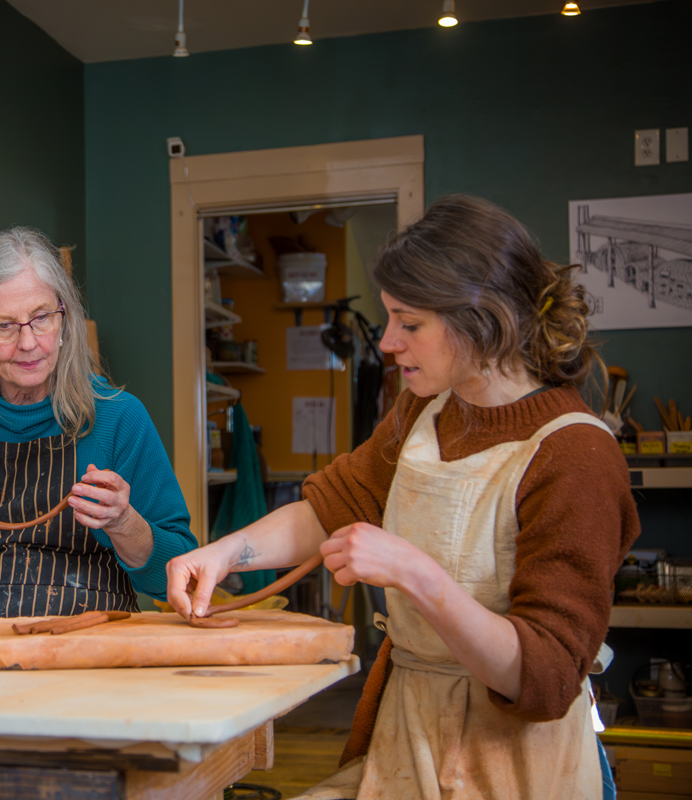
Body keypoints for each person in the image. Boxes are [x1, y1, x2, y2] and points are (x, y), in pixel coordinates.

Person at [167, 195, 638, 800]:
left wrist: (415, 572)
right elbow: (329, 509)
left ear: (484, 320)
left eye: (409, 323)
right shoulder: (424, 412)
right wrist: (224, 554)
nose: (388, 342)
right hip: (408, 736)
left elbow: (544, 679)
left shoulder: (577, 454)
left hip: (517, 766)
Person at [0, 227, 196, 645]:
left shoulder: (120, 417)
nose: (29, 343)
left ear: (65, 316)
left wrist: (124, 523)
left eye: (42, 318)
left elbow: (177, 572)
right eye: (4, 326)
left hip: (93, 633)